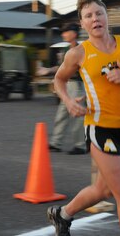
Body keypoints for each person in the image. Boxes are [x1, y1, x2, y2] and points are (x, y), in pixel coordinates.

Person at [47, 0, 120, 236]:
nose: (95, 19)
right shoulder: (79, 53)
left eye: (99, 13)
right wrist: (67, 101)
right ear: (83, 23)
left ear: (107, 17)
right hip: (99, 128)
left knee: (103, 189)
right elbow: (59, 80)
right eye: (88, 16)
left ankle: (62, 214)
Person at [37, 23, 87, 155]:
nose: (63, 34)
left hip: (77, 86)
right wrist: (48, 70)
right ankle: (56, 143)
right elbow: (62, 67)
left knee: (77, 115)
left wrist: (50, 70)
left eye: (66, 32)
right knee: (62, 114)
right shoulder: (66, 49)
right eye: (63, 32)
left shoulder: (81, 49)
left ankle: (80, 146)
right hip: (67, 85)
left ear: (74, 33)